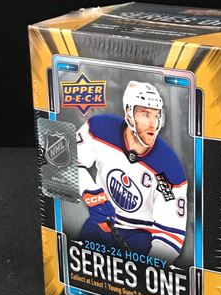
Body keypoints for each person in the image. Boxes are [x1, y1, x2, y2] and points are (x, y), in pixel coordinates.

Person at [76, 81, 187, 262]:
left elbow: (170, 238)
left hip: (140, 235)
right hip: (101, 223)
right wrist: (91, 193)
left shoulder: (169, 170)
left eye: (156, 115)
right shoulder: (99, 129)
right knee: (78, 265)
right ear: (129, 113)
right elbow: (65, 162)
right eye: (145, 114)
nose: (152, 124)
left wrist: (146, 268)